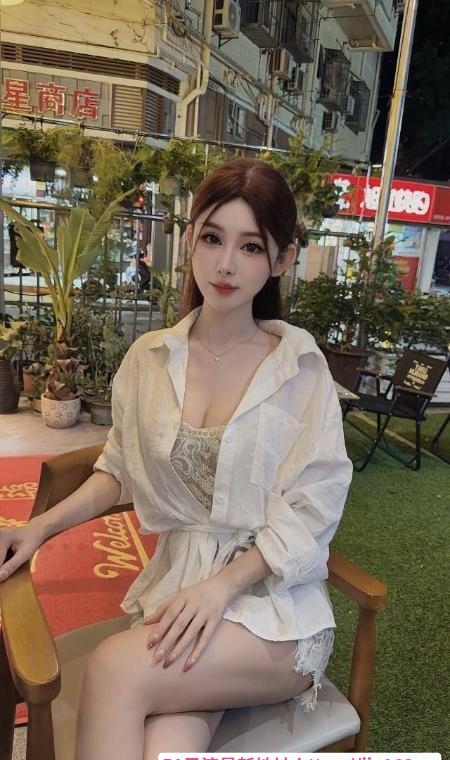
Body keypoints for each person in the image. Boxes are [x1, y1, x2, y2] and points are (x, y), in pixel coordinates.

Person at [0, 158, 352, 760]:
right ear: (190, 239)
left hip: (271, 611)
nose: (225, 264)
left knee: (114, 670)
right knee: (168, 742)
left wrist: (222, 588)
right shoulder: (150, 358)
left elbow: (315, 507)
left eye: (251, 247)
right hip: (180, 596)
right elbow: (119, 472)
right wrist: (38, 527)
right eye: (213, 238)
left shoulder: (299, 367)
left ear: (282, 260)